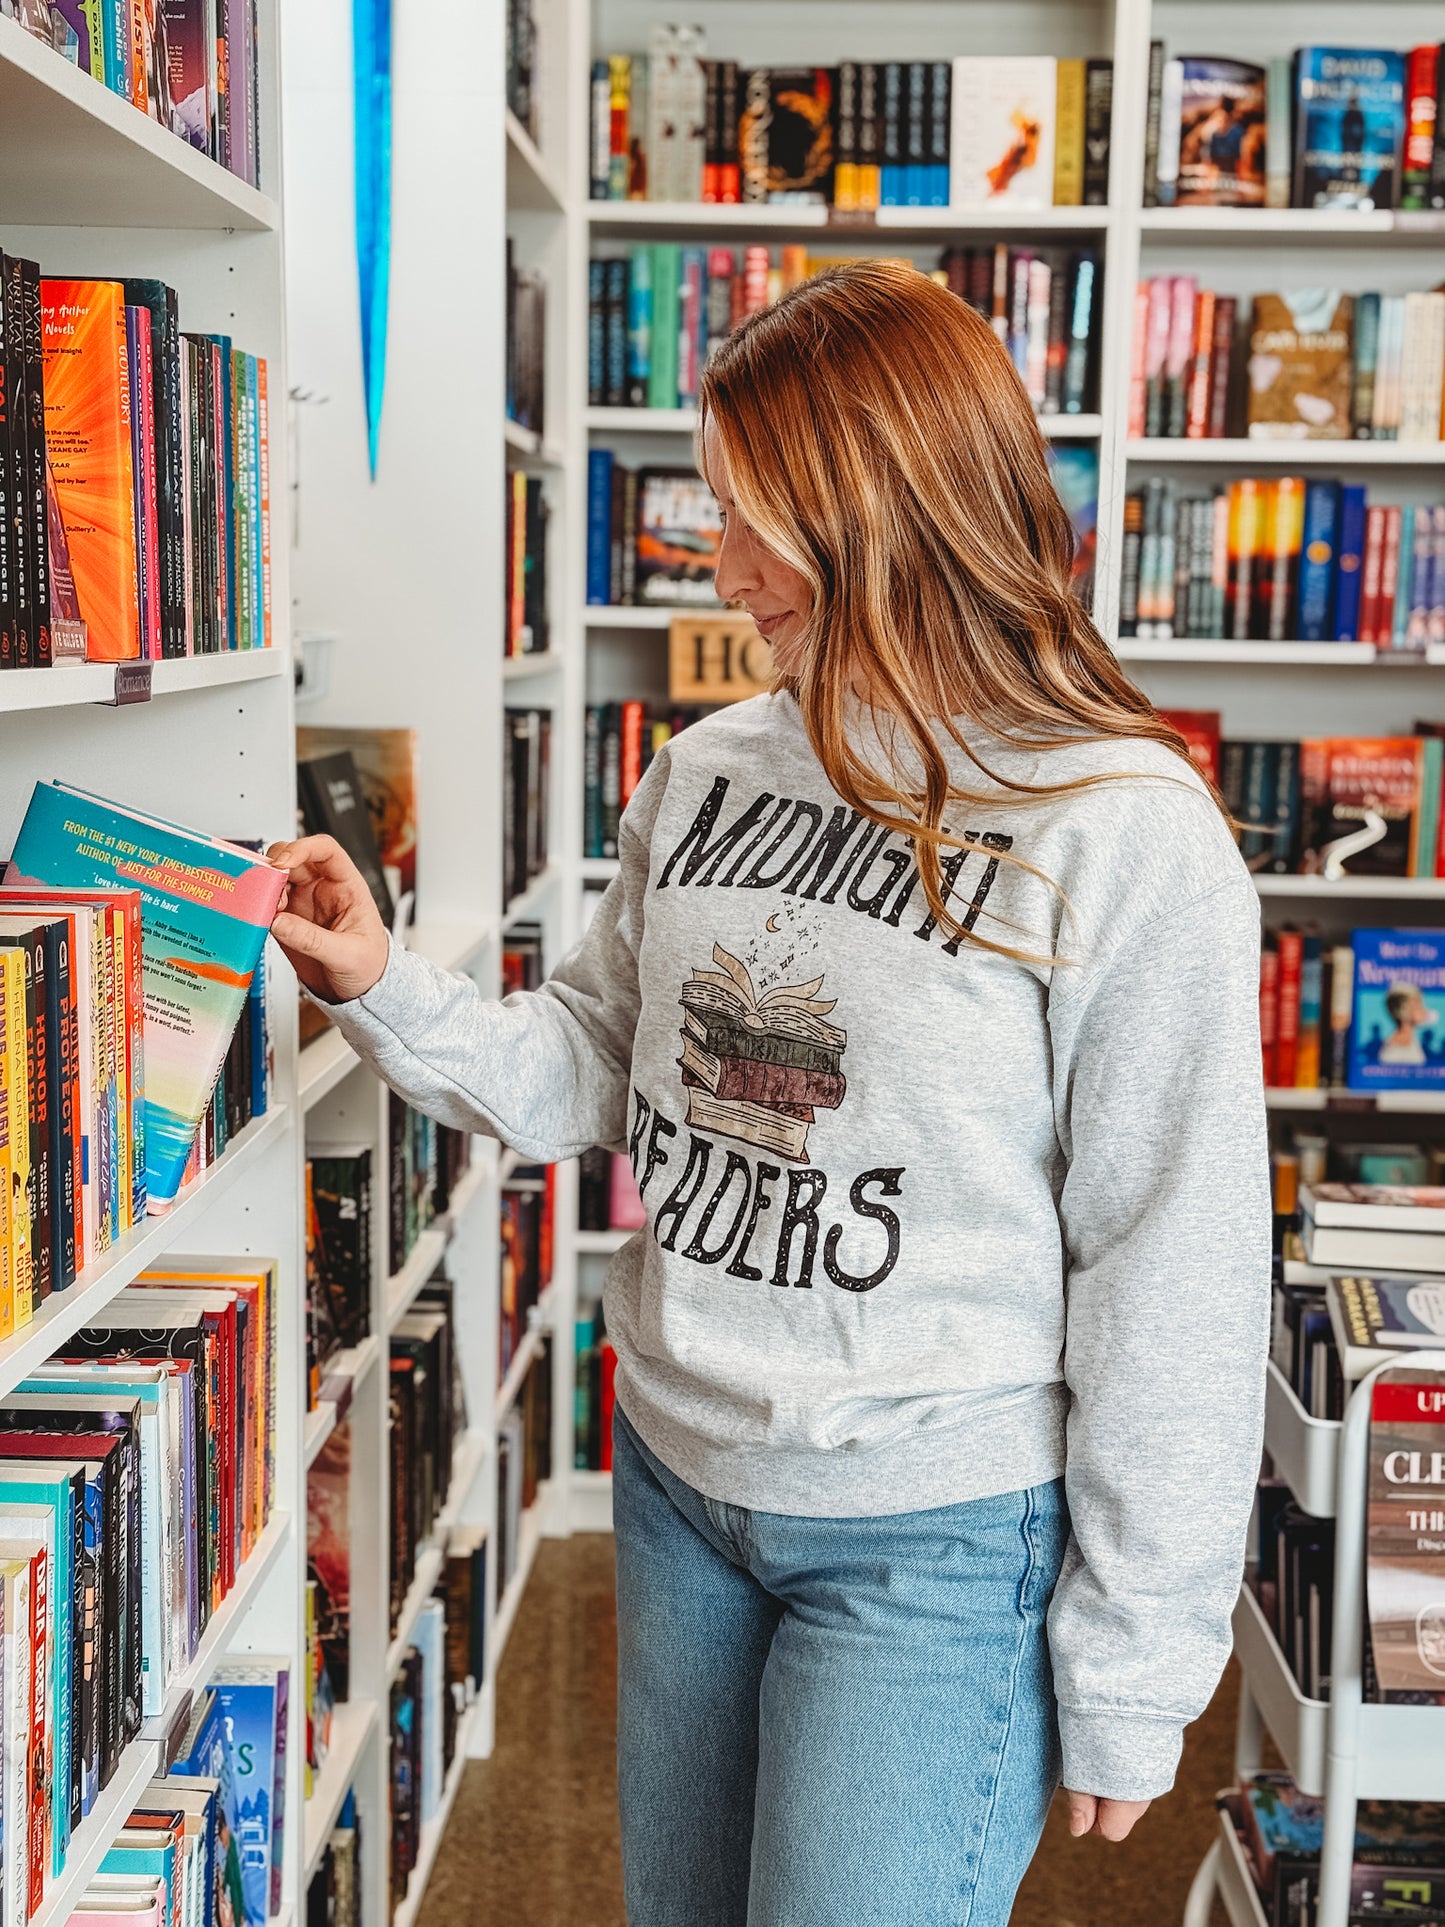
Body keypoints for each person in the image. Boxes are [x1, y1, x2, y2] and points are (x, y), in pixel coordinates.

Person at [268, 260, 1270, 1927]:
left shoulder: (1119, 825)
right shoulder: (705, 767)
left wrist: (1136, 1658)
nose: (715, 559)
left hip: (932, 1537)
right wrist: (384, 985)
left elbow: (1171, 1262)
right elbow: (592, 1065)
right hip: (678, 1482)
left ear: (888, 514)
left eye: (753, 518)